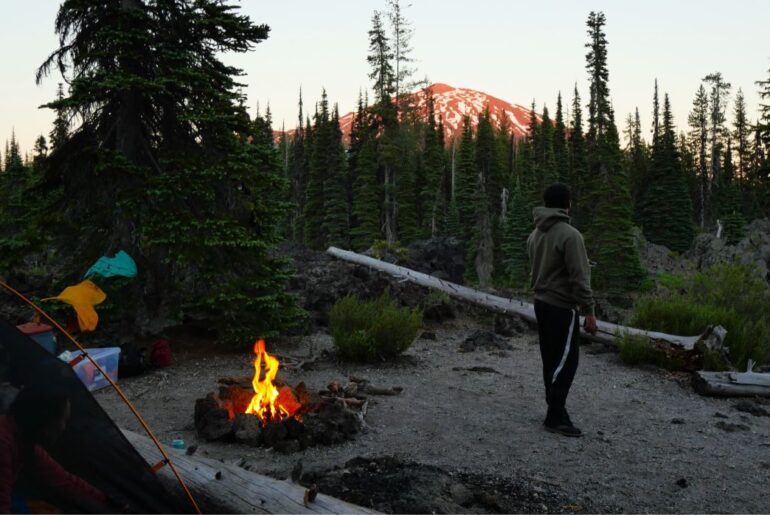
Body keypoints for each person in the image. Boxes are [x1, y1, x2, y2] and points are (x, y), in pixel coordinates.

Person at [527, 183, 597, 437]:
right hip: (561, 306)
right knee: (567, 362)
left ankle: (556, 410)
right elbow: (579, 276)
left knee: (551, 359)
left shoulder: (536, 234)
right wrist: (589, 310)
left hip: (541, 303)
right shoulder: (570, 235)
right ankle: (555, 416)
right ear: (567, 204)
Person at [0, 384, 109, 513]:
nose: (63, 428)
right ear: (44, 419)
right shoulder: (3, 444)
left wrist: (106, 501)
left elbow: (63, 479)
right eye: (63, 419)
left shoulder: (23, 438)